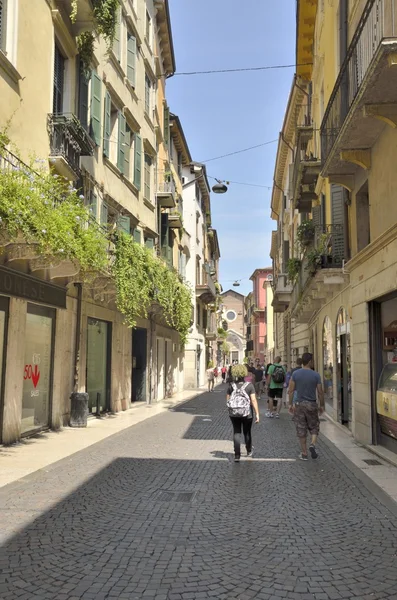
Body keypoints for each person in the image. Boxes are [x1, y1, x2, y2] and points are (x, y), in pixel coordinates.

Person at [288, 352, 325, 460]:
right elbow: (320, 392)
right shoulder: (316, 375)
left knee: (301, 429)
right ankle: (312, 444)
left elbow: (291, 391)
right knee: (314, 427)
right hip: (312, 404)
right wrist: (322, 405)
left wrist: (290, 404)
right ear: (309, 362)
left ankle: (304, 453)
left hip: (299, 405)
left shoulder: (295, 374)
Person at [226, 364, 260, 462]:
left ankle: (237, 455)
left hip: (234, 413)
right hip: (247, 412)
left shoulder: (231, 385)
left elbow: (227, 400)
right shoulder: (249, 386)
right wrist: (257, 413)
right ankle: (249, 450)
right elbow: (253, 400)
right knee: (247, 432)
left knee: (236, 431)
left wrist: (231, 409)